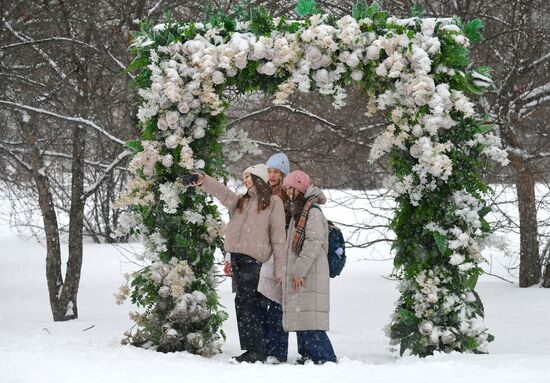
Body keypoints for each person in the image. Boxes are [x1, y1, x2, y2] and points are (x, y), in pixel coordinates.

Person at [191, 164, 286, 363]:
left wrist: (281, 268)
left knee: (246, 302)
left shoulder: (273, 202)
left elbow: (278, 237)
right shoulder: (242, 201)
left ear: (258, 178)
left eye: (248, 176)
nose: (245, 180)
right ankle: (257, 349)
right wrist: (204, 180)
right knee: (250, 304)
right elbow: (224, 194)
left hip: (255, 261)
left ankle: (254, 350)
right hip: (238, 259)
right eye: (244, 177)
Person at [282, 170, 337, 364]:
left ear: (300, 189)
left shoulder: (311, 211)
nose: (288, 192)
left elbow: (313, 243)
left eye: (291, 188)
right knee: (303, 314)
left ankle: (324, 356)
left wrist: (299, 270)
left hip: (311, 270)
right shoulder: (300, 210)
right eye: (287, 188)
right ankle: (308, 354)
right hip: (306, 269)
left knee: (311, 317)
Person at [257, 153, 291, 363]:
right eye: (269, 171)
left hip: (282, 254)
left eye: (275, 172)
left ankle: (277, 351)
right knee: (260, 302)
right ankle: (262, 347)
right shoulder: (263, 195)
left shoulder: (289, 197)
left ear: (283, 174)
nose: (271, 175)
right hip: (262, 255)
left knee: (279, 304)